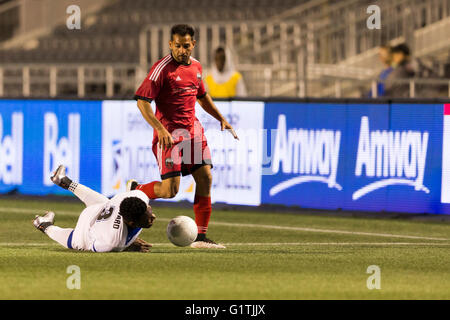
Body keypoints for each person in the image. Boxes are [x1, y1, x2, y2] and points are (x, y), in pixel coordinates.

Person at [133, 24, 238, 249]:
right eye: (178, 46)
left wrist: (221, 117)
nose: (182, 50)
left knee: (206, 178)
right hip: (169, 135)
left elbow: (202, 96)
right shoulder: (161, 69)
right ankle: (137, 190)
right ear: (171, 44)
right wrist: (160, 129)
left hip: (193, 132)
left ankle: (200, 238)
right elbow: (142, 102)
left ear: (193, 45)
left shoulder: (197, 68)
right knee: (170, 191)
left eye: (186, 46)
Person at [32, 165, 155, 253]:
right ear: (132, 223)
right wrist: (128, 245)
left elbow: (126, 196)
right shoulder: (113, 242)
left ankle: (64, 181)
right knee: (77, 242)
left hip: (101, 209)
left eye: (149, 211)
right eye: (148, 218)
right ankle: (43, 224)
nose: (153, 216)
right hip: (86, 230)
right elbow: (92, 246)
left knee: (107, 203)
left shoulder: (139, 197)